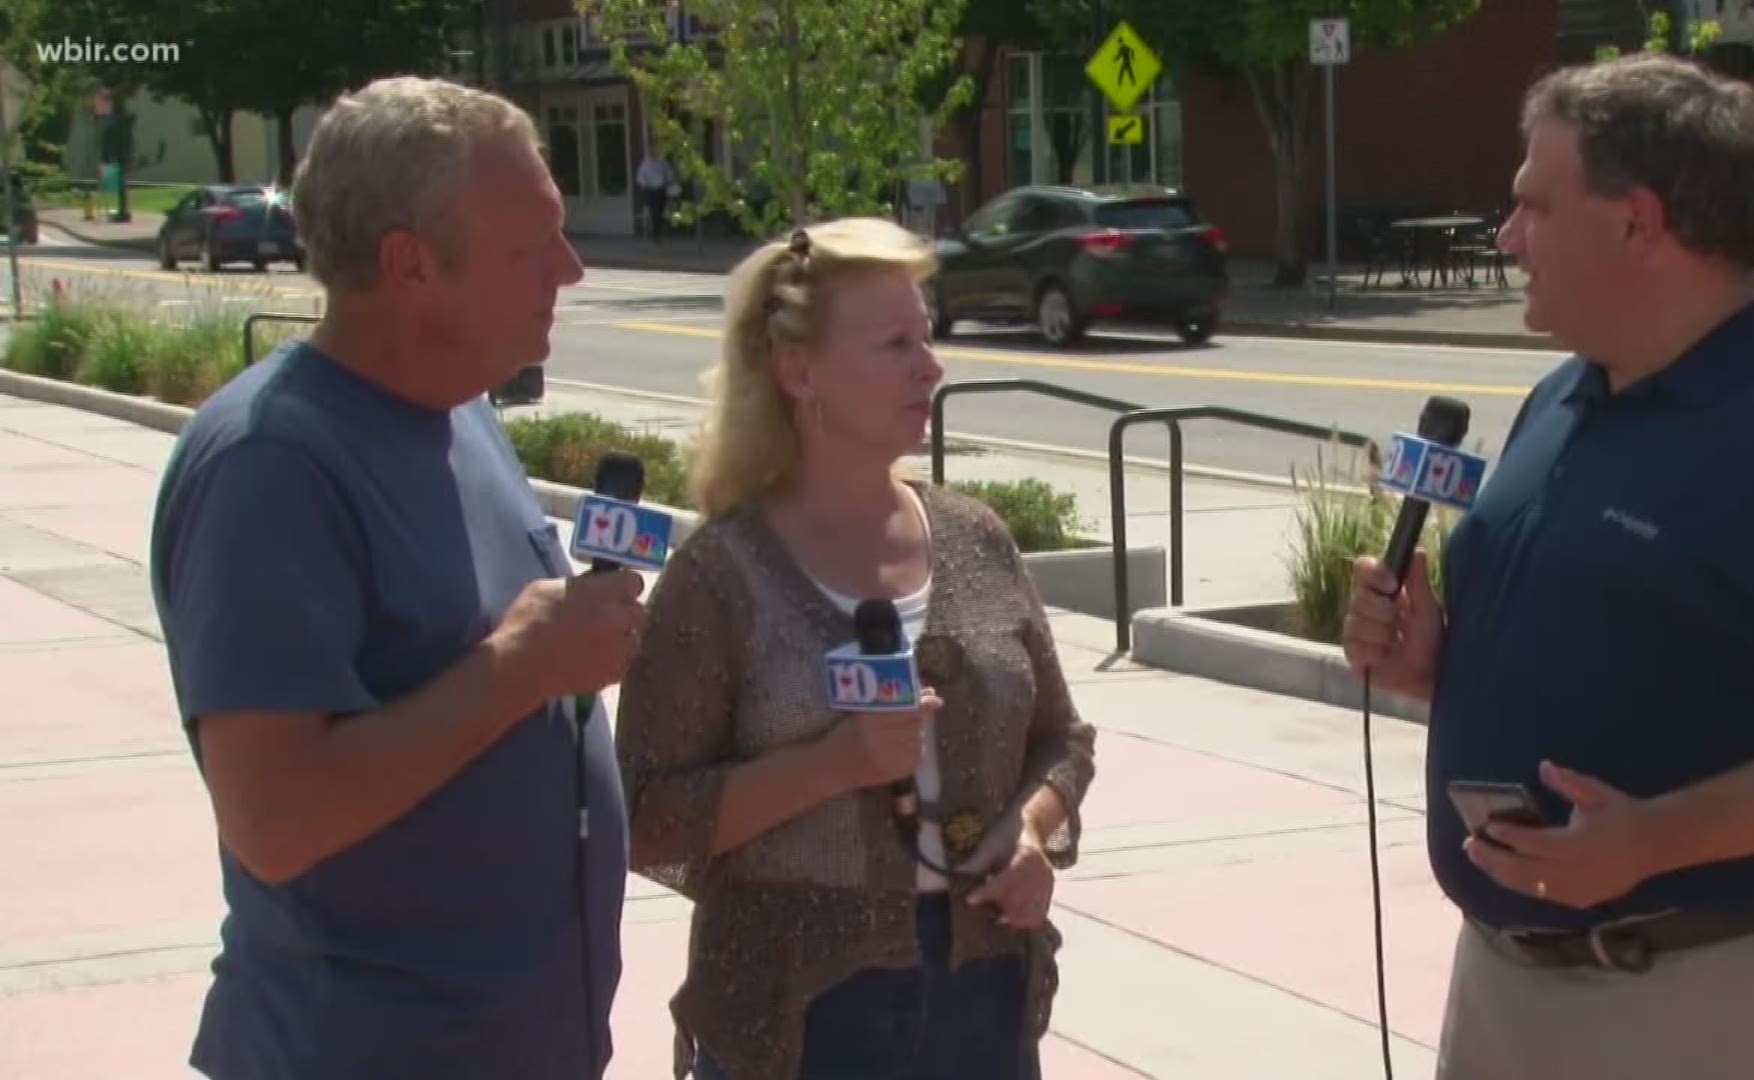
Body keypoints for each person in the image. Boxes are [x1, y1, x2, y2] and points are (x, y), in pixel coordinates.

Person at [1343, 52, 1754, 1079]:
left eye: (1533, 207)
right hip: (1504, 986)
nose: (1507, 239)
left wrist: (1652, 840)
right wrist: (1432, 664)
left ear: (1636, 222)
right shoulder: (1561, 397)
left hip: (1717, 995)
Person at [149, 76, 642, 1079]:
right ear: (411, 268)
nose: (573, 269)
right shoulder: (272, 465)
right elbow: (275, 823)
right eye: (532, 246)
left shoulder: (460, 409)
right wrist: (520, 665)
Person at [613, 217, 1097, 1080]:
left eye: (929, 335)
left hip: (984, 995)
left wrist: (1028, 833)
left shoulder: (976, 537)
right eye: (895, 343)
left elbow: (1064, 741)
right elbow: (647, 819)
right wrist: (831, 764)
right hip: (797, 1016)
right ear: (800, 373)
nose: (932, 365)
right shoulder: (721, 575)